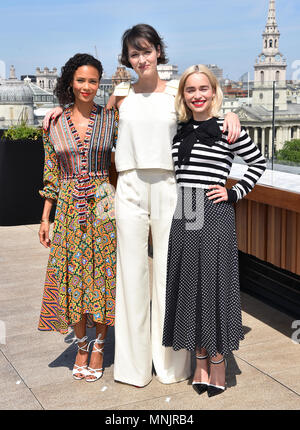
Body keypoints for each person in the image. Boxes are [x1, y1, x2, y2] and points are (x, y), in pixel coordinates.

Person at [42, 23, 242, 388]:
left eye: (147, 51)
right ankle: (132, 367)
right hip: (129, 186)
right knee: (131, 276)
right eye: (134, 53)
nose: (142, 58)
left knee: (170, 276)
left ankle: (171, 365)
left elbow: (206, 110)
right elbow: (91, 117)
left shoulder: (176, 96)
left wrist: (231, 115)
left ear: (158, 52)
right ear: (128, 59)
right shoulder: (121, 97)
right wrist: (60, 110)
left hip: (171, 187)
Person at [162, 64, 266, 397]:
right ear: (183, 95)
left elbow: (258, 162)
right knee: (190, 283)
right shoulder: (178, 128)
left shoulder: (226, 126)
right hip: (185, 210)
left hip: (213, 209)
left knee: (215, 284)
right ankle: (200, 357)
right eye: (190, 90)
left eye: (203, 88)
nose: (197, 95)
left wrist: (233, 192)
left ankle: (219, 359)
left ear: (213, 90)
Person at [38, 53, 118, 382]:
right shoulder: (54, 123)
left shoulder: (112, 118)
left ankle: (99, 345)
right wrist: (46, 218)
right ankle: (81, 346)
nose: (87, 86)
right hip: (69, 206)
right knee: (72, 278)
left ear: (100, 84)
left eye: (93, 81)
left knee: (101, 277)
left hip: (103, 203)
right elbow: (51, 175)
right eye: (81, 80)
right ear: (70, 82)